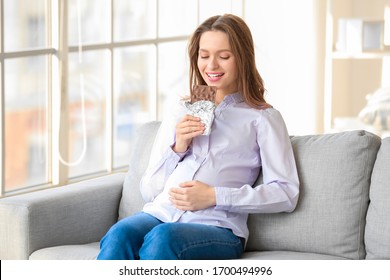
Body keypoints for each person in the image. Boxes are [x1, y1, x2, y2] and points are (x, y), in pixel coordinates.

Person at [97, 14, 299, 260]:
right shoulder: (181, 111)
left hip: (216, 227)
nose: (211, 66)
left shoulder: (262, 118)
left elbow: (286, 194)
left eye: (224, 56)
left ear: (243, 59)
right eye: (204, 56)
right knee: (120, 234)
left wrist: (214, 195)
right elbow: (149, 190)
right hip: (160, 214)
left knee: (164, 238)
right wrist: (178, 147)